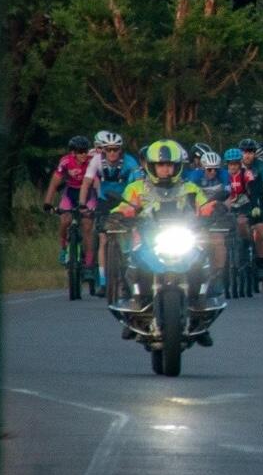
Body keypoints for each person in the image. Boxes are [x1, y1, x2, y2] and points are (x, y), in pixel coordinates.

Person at [111, 141, 217, 339]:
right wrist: (119, 214)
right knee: (131, 264)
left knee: (203, 262)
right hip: (147, 241)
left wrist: (215, 209)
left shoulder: (190, 188)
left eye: (170, 165)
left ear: (177, 167)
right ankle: (133, 309)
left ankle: (201, 312)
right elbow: (124, 207)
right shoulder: (137, 188)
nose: (165, 169)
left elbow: (205, 206)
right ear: (151, 166)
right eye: (160, 165)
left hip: (184, 237)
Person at [79, 131, 142, 294]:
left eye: (115, 149)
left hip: (125, 202)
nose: (112, 153)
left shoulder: (130, 162)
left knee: (128, 235)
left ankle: (128, 275)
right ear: (103, 150)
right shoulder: (96, 161)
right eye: (108, 150)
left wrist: (137, 205)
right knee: (103, 238)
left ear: (120, 150)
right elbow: (86, 183)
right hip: (105, 201)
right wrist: (81, 204)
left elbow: (138, 186)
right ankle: (103, 281)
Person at [43, 135, 97, 272]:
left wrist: (98, 203)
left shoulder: (91, 162)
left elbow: (96, 183)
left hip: (87, 193)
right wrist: (47, 203)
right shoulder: (65, 161)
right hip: (70, 192)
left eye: (86, 151)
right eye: (80, 152)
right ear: (73, 152)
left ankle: (89, 262)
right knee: (64, 220)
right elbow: (54, 183)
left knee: (87, 226)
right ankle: (63, 247)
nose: (84, 154)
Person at [188, 151, 231, 289]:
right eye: (209, 169)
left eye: (215, 169)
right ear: (202, 168)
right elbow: (190, 198)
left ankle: (218, 273)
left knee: (218, 241)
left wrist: (224, 209)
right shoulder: (194, 176)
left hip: (217, 212)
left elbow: (228, 197)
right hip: (199, 214)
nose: (213, 172)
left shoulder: (224, 175)